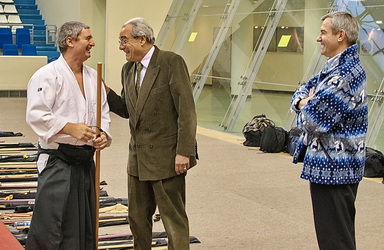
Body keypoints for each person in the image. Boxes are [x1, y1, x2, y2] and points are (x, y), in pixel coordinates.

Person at [105, 17, 197, 250]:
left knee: (173, 220)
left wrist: (184, 152)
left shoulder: (170, 62)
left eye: (124, 40)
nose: (120, 47)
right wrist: (105, 91)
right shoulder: (128, 69)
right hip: (137, 160)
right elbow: (128, 109)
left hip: (167, 157)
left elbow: (186, 111)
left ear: (142, 38)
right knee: (137, 219)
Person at [25, 21, 112, 250]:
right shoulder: (46, 75)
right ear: (70, 41)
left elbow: (103, 114)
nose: (92, 42)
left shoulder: (94, 77)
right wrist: (68, 127)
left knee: (84, 222)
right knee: (54, 223)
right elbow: (36, 115)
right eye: (87, 38)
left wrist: (103, 134)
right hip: (58, 160)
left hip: (85, 160)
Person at [290, 12, 367, 250]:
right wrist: (304, 100)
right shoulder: (336, 69)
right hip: (332, 168)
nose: (318, 38)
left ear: (340, 35)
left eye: (323, 32)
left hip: (335, 170)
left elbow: (312, 120)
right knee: (337, 237)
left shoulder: (343, 76)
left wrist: (304, 104)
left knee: (335, 241)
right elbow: (302, 90)